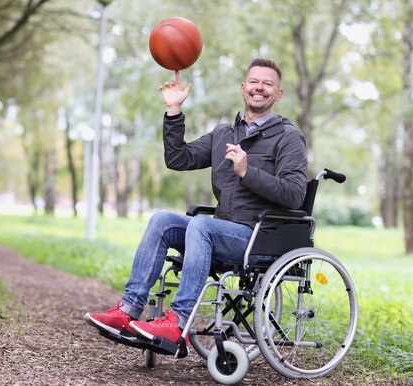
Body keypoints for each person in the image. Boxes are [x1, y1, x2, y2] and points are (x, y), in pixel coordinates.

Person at [84, 58, 308, 346]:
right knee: (162, 220)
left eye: (268, 84)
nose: (259, 88)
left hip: (260, 237)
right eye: (254, 81)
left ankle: (178, 323)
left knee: (202, 225)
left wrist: (247, 172)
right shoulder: (224, 134)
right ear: (243, 88)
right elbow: (179, 158)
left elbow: (294, 194)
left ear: (279, 94)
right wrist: (173, 110)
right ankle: (127, 311)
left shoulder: (289, 137)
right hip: (221, 232)